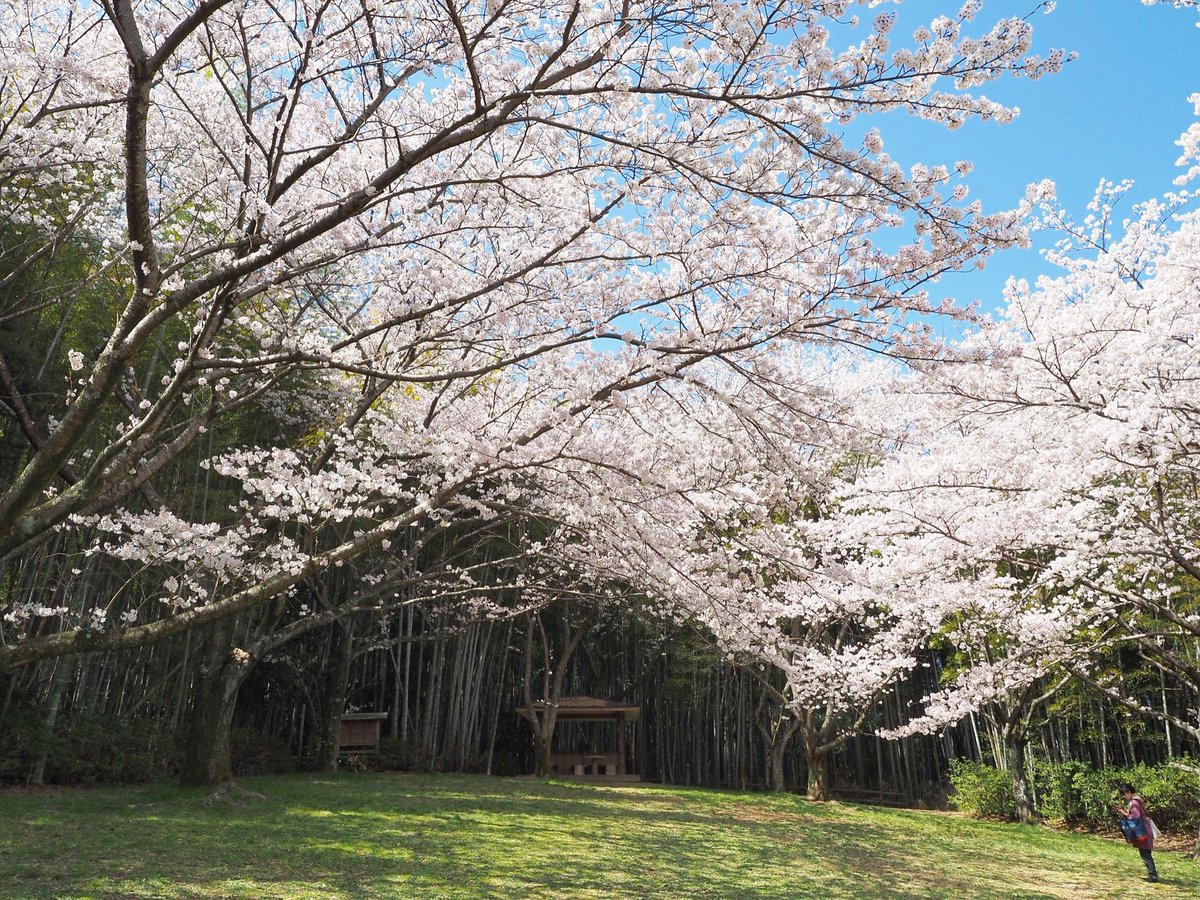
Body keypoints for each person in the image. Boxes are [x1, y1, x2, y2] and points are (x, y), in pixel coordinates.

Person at [1113, 782, 1158, 883]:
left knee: (1145, 854)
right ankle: (1152, 875)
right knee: (1146, 853)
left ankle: (1153, 876)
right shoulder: (1138, 800)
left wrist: (1123, 813)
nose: (1124, 796)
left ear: (1128, 792)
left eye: (1124, 794)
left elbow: (1135, 817)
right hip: (1145, 828)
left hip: (1142, 830)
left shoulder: (1134, 802)